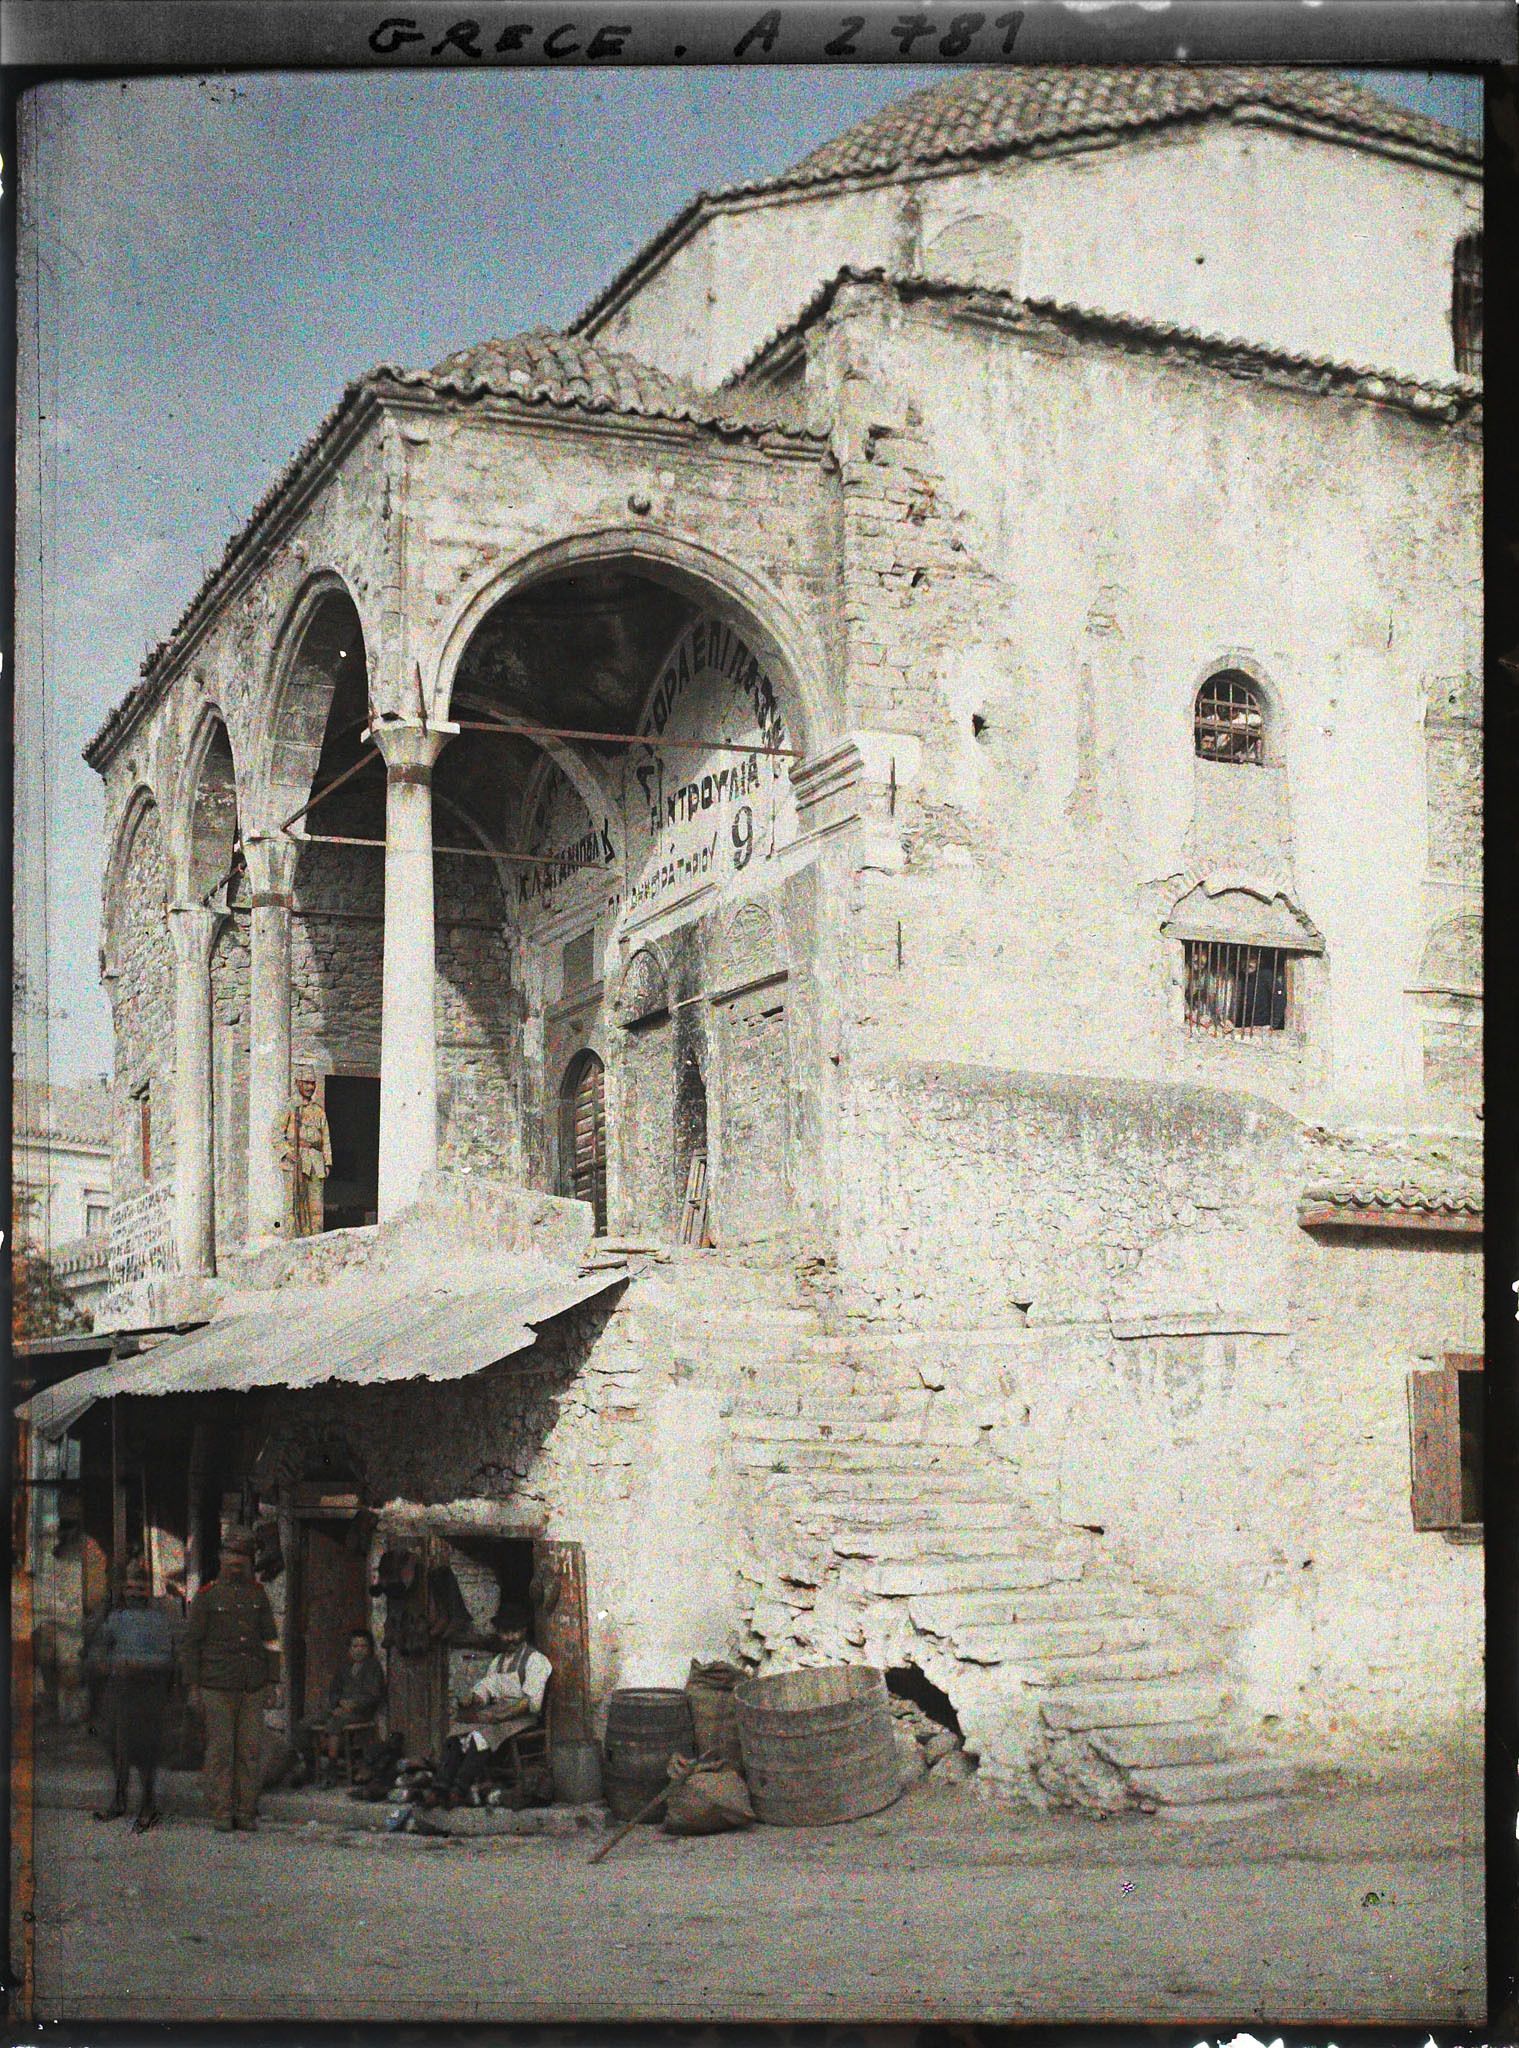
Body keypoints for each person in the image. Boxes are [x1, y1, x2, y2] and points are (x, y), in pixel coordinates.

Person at [180, 1528, 280, 1833]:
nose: (236, 1562)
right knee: (221, 1752)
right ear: (222, 1557)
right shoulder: (207, 1596)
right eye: (231, 1555)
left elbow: (271, 1641)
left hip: (252, 1685)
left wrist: (273, 1683)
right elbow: (192, 1644)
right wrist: (193, 1687)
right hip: (216, 1685)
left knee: (250, 1751)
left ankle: (246, 1810)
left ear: (249, 1561)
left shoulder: (258, 1595)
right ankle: (222, 1811)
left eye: (242, 1557)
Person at [91, 1559, 177, 1832]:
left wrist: (139, 1665)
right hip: (119, 1691)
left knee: (145, 1750)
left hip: (147, 1691)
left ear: (148, 1591)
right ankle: (118, 1801)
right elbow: (100, 1651)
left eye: (140, 1589)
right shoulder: (115, 1619)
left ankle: (148, 1805)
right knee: (117, 1748)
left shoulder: (159, 1621)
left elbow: (166, 1659)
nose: (135, 1594)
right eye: (130, 1588)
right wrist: (104, 1662)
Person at [436, 1608, 552, 1803]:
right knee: (457, 1732)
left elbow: (531, 1701)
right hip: (496, 1713)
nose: (510, 1638)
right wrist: (473, 1700)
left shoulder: (536, 1660)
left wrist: (500, 1716)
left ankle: (459, 1789)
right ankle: (440, 1786)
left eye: (515, 1632)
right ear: (499, 1634)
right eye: (505, 1633)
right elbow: (486, 1689)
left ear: (524, 1632)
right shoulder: (497, 1661)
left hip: (522, 1716)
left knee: (481, 1736)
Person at [295, 1627, 386, 1786]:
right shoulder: (344, 1668)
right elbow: (334, 1691)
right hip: (339, 1710)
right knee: (303, 1724)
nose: (359, 1650)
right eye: (355, 1646)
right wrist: (338, 1703)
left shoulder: (373, 1667)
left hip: (361, 1713)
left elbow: (374, 1695)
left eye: (363, 1646)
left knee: (334, 1723)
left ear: (369, 1648)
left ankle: (332, 1768)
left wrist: (354, 1704)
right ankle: (311, 1766)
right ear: (350, 1649)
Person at [279, 1067, 331, 1237]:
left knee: (316, 1207)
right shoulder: (290, 1107)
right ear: (297, 1083)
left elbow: (325, 1138)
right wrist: (288, 1152)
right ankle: (292, 1242)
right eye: (306, 1083)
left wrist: (327, 1162)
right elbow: (276, 1134)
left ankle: (314, 1242)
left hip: (316, 1161)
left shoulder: (318, 1110)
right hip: (296, 1160)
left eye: (313, 1083)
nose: (310, 1087)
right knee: (293, 1206)